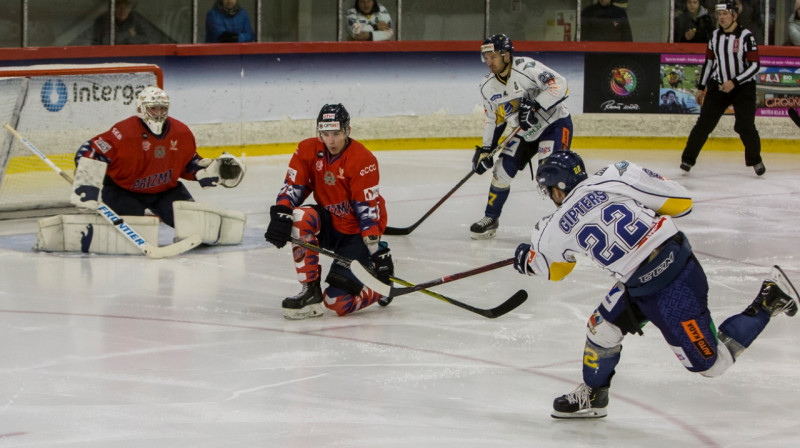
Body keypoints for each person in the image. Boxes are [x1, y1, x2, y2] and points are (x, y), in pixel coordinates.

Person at [512, 151, 799, 419]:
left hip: (672, 289)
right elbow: (681, 203)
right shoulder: (614, 175)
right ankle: (595, 395)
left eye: (550, 192)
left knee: (713, 364)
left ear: (557, 189)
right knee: (602, 328)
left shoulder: (552, 227)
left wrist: (528, 261)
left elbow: (555, 271)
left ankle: (769, 300)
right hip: (663, 270)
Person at [264, 104, 395, 320]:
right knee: (298, 217)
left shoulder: (363, 160)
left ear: (347, 131)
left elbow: (367, 212)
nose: (331, 140)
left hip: (356, 233)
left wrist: (375, 249)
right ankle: (310, 292)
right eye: (325, 134)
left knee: (337, 303)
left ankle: (378, 287)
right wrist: (281, 213)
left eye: (336, 134)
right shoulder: (307, 150)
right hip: (331, 224)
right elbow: (292, 186)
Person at [73, 86, 245, 230]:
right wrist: (87, 184)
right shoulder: (124, 133)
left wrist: (205, 171)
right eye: (154, 108)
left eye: (163, 108)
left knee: (194, 226)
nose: (159, 113)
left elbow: (186, 163)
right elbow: (91, 151)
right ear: (141, 108)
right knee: (135, 230)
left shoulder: (181, 132)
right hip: (123, 191)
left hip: (165, 190)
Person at [470, 34, 572, 239]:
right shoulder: (487, 87)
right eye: (486, 58)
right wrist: (486, 150)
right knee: (501, 170)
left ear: (506, 55)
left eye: (493, 57)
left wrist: (535, 105)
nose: (489, 62)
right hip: (524, 132)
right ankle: (491, 218)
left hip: (554, 124)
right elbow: (493, 119)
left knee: (553, 173)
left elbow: (560, 84)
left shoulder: (527, 68)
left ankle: (568, 221)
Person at [680, 0, 764, 176]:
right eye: (719, 15)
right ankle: (687, 159)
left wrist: (735, 81)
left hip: (743, 88)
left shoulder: (746, 36)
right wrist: (701, 87)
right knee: (704, 124)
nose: (722, 18)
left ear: (734, 15)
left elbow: (755, 65)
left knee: (745, 126)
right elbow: (709, 62)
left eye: (725, 14)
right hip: (718, 86)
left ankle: (755, 160)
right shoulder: (715, 36)